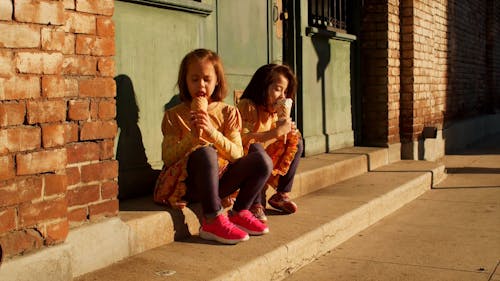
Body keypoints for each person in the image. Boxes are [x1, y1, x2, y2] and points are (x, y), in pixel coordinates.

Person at [154, 49, 272, 244]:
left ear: (217, 81)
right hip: (189, 185)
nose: (201, 84)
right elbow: (168, 157)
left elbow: (236, 154)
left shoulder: (228, 112)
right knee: (206, 153)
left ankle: (240, 211)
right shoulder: (173, 115)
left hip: (221, 180)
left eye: (207, 79)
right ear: (185, 81)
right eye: (194, 79)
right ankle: (211, 219)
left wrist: (212, 132)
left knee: (261, 158)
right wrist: (193, 137)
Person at [237, 63, 303, 223]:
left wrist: (287, 132)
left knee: (297, 141)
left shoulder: (273, 114)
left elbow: (278, 141)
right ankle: (255, 203)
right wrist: (277, 132)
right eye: (278, 89)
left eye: (286, 92)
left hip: (265, 161)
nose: (282, 96)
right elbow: (243, 141)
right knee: (257, 150)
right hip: (243, 161)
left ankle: (281, 193)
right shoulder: (248, 106)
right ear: (262, 86)